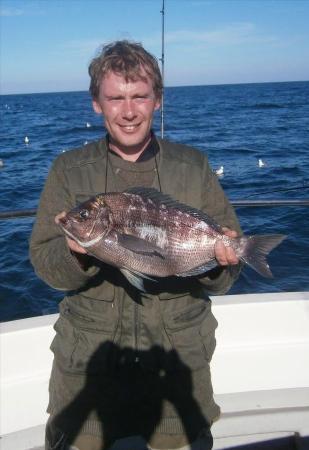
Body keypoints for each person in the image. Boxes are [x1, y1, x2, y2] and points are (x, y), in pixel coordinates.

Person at [30, 40, 242, 450]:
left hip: (178, 375)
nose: (128, 111)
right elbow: (44, 263)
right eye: (115, 98)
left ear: (157, 100)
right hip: (88, 380)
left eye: (140, 96)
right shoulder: (68, 171)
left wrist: (219, 263)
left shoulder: (195, 167)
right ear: (96, 103)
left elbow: (225, 277)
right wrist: (76, 249)